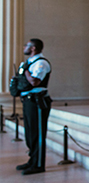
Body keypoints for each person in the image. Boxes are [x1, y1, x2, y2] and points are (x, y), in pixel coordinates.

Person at [14, 38, 52, 176]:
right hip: (28, 101)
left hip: (38, 102)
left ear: (33, 48)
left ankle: (39, 164)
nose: (24, 47)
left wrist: (25, 71)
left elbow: (35, 82)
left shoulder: (41, 63)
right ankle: (32, 160)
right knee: (30, 133)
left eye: (27, 45)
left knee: (38, 134)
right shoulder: (28, 63)